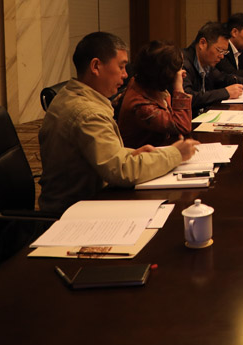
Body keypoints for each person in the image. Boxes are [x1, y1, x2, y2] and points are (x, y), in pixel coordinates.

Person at [38, 32, 198, 213]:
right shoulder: (88, 113)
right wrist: (176, 154)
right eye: (121, 67)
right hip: (74, 212)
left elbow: (106, 156)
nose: (125, 75)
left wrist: (130, 153)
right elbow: (121, 171)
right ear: (96, 66)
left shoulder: (70, 94)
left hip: (87, 200)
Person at [183, 21, 243, 114]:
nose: (222, 56)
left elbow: (224, 78)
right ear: (202, 43)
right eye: (220, 50)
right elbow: (187, 98)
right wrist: (225, 93)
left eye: (224, 52)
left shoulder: (206, 63)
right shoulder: (183, 63)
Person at [117, 40, 192, 149]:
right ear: (166, 73)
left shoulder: (150, 85)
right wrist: (178, 88)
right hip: (141, 155)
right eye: (178, 69)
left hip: (159, 149)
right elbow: (182, 126)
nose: (181, 72)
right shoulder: (141, 105)